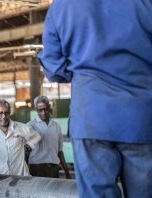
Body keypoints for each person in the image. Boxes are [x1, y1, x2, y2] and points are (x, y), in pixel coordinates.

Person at [37, 1, 152, 197]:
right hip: (141, 118)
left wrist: (83, 74)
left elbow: (54, 68)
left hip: (91, 116)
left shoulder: (63, 5)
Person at [26, 96, 71, 179]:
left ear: (49, 107)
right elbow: (26, 152)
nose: (44, 112)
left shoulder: (56, 126)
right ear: (36, 109)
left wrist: (67, 171)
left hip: (54, 169)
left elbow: (60, 151)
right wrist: (25, 172)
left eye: (46, 109)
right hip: (37, 169)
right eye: (40, 110)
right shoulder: (30, 126)